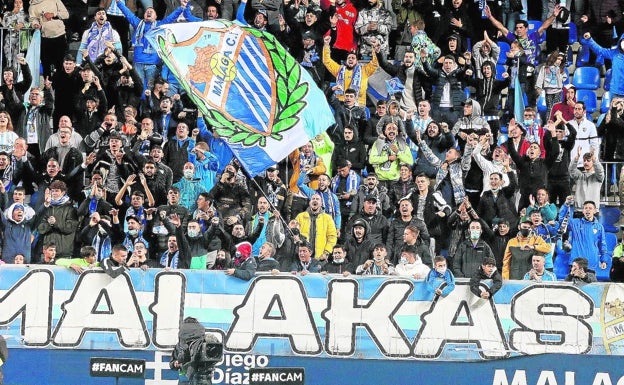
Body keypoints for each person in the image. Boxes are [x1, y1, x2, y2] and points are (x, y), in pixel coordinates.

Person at [322, 34, 379, 107]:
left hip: (359, 105)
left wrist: (375, 49)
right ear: (346, 61)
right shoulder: (339, 70)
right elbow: (327, 61)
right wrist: (326, 45)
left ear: (357, 61)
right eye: (349, 58)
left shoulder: (364, 71)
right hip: (341, 104)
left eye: (353, 58)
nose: (351, 59)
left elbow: (375, 64)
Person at [558, 198, 608, 273]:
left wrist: (604, 260)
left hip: (591, 264)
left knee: (590, 285)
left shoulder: (599, 227)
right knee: (574, 284)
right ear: (583, 211)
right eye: (585, 208)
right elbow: (562, 219)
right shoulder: (575, 223)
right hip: (576, 264)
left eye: (590, 208)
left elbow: (602, 244)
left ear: (595, 211)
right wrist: (566, 204)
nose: (588, 210)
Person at [170, 317, 222, 385]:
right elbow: (215, 358)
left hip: (186, 380)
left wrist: (175, 363)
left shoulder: (180, 346)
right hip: (203, 379)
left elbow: (172, 364)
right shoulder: (206, 345)